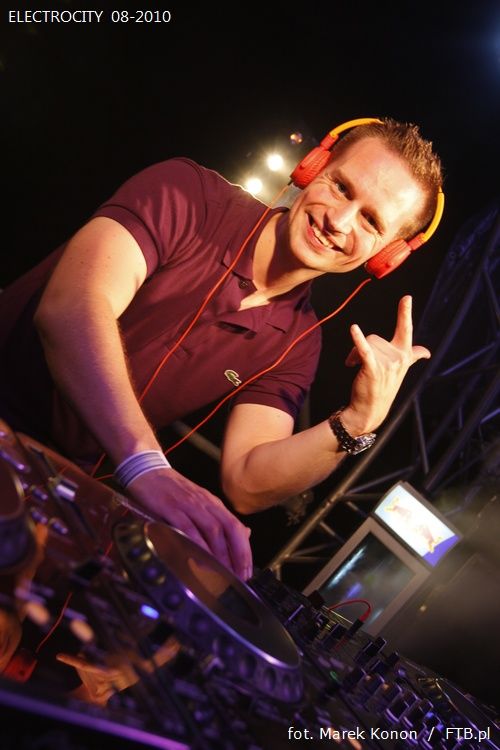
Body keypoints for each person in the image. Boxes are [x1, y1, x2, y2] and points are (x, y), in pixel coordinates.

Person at [0, 118, 443, 581]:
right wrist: (145, 464)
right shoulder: (188, 192)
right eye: (341, 187)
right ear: (313, 167)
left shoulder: (299, 342)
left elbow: (248, 482)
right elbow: (72, 307)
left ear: (386, 256)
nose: (339, 221)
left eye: (371, 221)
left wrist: (357, 421)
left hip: (52, 496)